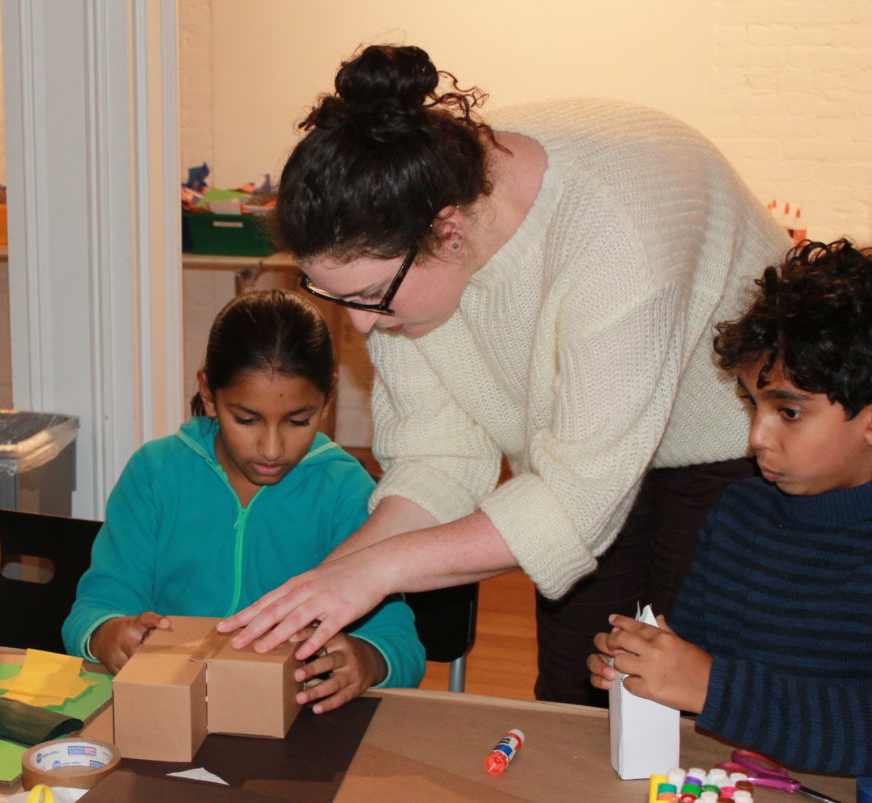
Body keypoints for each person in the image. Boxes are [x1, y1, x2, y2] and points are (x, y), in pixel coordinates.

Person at [218, 43, 787, 706]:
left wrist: (373, 572)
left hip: (729, 444)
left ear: (449, 232)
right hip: (574, 451)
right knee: (579, 694)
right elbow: (440, 460)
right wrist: (328, 582)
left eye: (371, 295)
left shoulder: (615, 230)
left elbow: (574, 508)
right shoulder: (399, 225)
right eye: (337, 298)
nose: (363, 327)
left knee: (694, 696)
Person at [62, 289, 425, 714]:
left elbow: (401, 642)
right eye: (247, 420)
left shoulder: (345, 491)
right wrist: (106, 633)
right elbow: (92, 608)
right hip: (170, 711)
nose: (271, 449)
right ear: (209, 394)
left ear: (329, 398)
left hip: (296, 723)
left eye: (298, 420)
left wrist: (369, 658)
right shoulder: (155, 475)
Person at [588, 239, 872, 776]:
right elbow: (698, 655)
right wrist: (647, 665)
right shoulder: (742, 512)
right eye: (751, 404)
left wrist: (708, 685)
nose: (756, 437)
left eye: (788, 412)